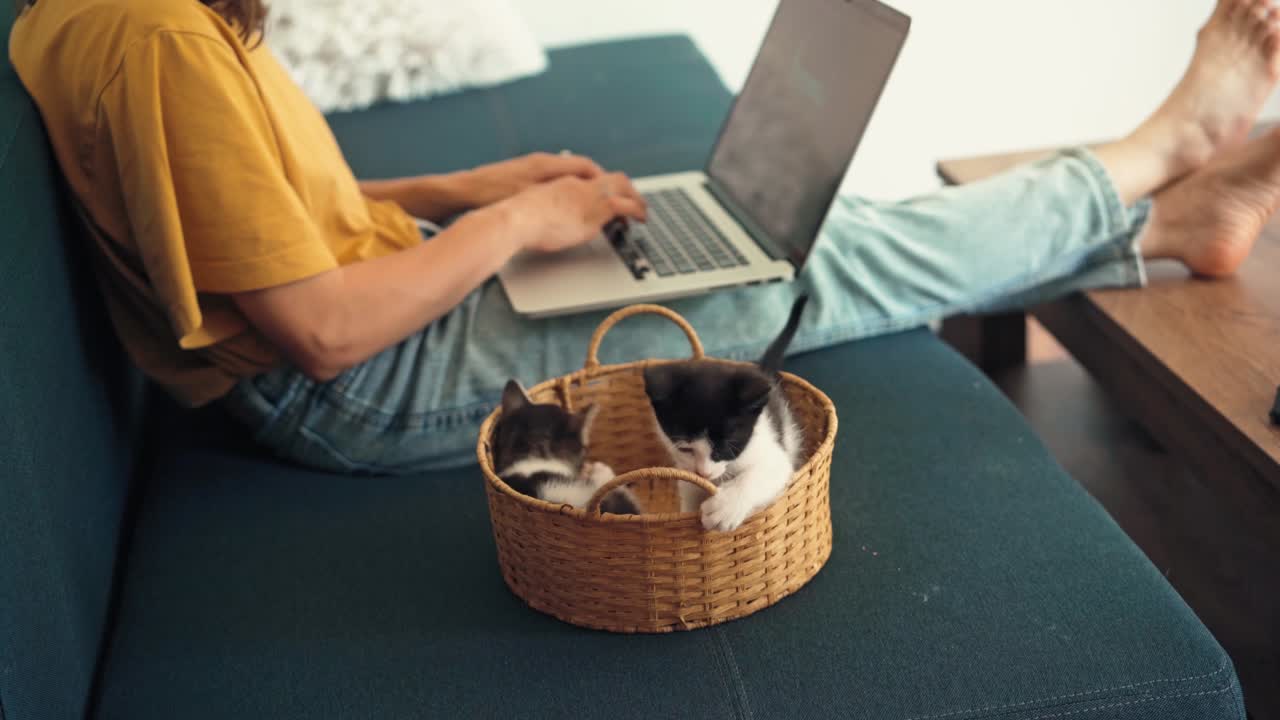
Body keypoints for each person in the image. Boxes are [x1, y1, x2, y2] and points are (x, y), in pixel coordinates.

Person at [10, 0, 1280, 473]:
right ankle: (1153, 160)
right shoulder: (159, 34)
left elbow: (258, 218)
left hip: (364, 325)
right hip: (355, 388)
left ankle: (1167, 219)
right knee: (814, 262)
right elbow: (320, 330)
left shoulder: (103, 16)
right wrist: (520, 222)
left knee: (758, 235)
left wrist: (468, 184)